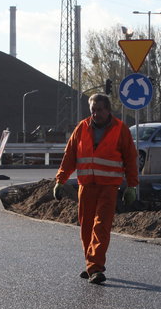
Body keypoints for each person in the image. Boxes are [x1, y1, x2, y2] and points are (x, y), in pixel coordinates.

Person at [53, 93, 139, 285]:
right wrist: (61, 180)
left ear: (108, 110)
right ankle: (90, 263)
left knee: (101, 227)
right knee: (86, 227)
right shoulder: (82, 128)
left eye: (99, 110)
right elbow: (70, 156)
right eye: (93, 110)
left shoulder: (120, 130)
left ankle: (95, 267)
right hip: (86, 186)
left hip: (108, 187)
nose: (96, 114)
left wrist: (132, 185)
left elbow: (130, 159)